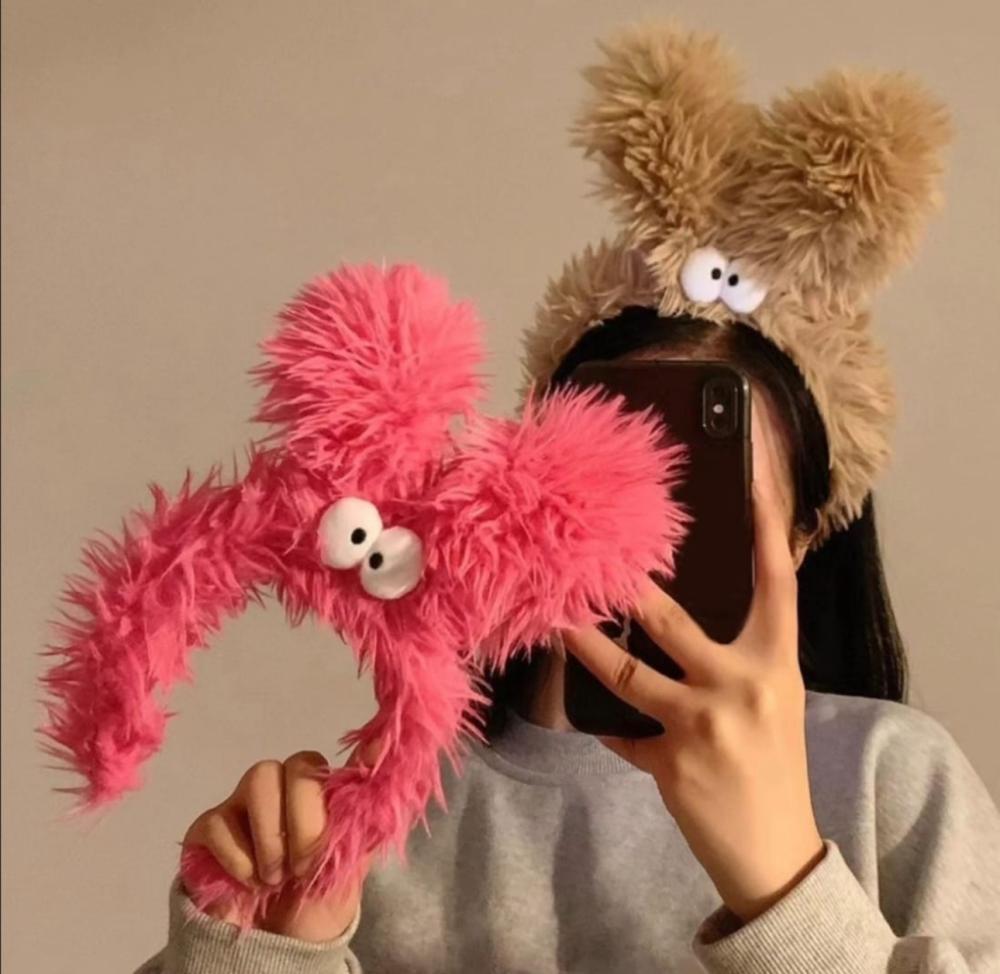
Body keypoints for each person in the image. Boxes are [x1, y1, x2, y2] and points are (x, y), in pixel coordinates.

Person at [135, 21, 1000, 974]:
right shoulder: (375, 814)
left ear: (803, 538)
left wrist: (786, 887)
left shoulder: (890, 779)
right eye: (601, 478)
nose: (644, 540)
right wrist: (260, 952)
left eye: (702, 501)